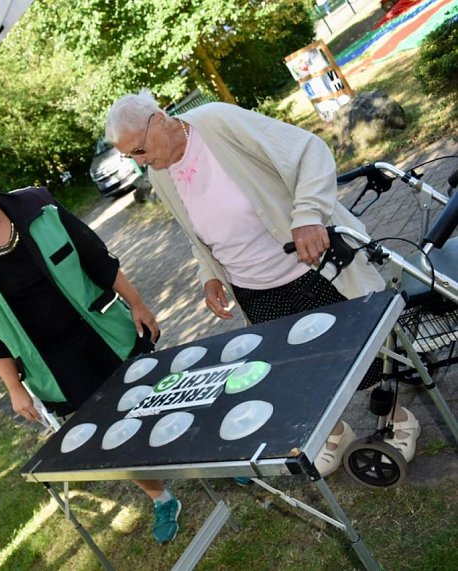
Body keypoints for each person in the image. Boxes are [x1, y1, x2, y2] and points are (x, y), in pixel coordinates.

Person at [105, 91, 421, 477]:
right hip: (253, 289)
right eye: (130, 156)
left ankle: (398, 419)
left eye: (138, 149)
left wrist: (307, 215)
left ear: (159, 119)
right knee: (296, 370)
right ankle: (335, 433)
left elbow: (310, 151)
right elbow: (194, 234)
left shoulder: (218, 122)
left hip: (309, 268)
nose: (139, 162)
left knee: (360, 354)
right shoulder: (160, 173)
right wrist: (210, 276)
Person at [0, 149, 181, 543]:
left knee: (159, 397)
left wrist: (138, 304)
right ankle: (161, 497)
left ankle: (216, 458)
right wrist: (14, 389)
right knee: (113, 433)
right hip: (54, 365)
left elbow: (98, 259)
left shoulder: (39, 206)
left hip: (105, 329)